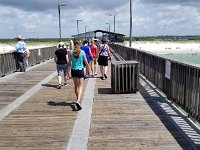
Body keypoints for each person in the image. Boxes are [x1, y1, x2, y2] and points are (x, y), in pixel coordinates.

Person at [67, 40, 89, 110]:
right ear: (80, 45)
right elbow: (86, 62)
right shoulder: (82, 52)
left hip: (73, 71)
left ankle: (78, 100)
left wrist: (67, 73)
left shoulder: (70, 52)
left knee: (76, 86)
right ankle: (78, 100)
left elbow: (69, 63)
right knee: (81, 86)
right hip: (80, 71)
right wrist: (88, 71)